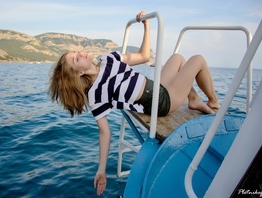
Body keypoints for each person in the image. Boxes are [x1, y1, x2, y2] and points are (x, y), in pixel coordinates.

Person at [48, 11, 220, 196]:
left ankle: (193, 99)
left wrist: (146, 25)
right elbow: (104, 132)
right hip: (159, 102)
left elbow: (143, 56)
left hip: (155, 87)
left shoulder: (108, 59)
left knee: (178, 59)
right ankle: (215, 104)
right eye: (76, 59)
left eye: (76, 52)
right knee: (198, 60)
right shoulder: (96, 94)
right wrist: (101, 170)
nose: (80, 53)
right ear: (79, 73)